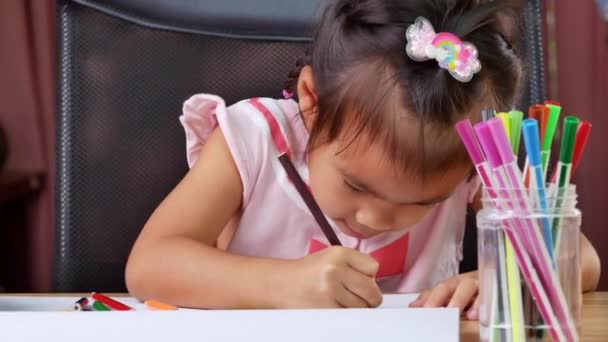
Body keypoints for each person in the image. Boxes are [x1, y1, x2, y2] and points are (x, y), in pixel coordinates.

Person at [126, 0, 600, 318]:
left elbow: (581, 259)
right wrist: (284, 284)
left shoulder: (472, 159)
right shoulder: (253, 139)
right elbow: (150, 266)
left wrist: (503, 279)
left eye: (423, 201)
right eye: (357, 184)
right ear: (311, 101)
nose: (376, 217)